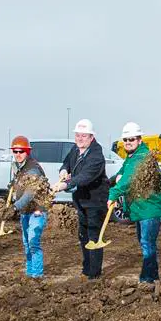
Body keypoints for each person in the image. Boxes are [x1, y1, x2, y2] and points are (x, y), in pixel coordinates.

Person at [107, 122, 161, 285]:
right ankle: (153, 276)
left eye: (131, 139)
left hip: (150, 208)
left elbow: (127, 180)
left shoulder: (141, 158)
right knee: (147, 243)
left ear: (139, 140)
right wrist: (110, 181)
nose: (128, 142)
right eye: (125, 139)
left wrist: (112, 195)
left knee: (147, 244)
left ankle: (147, 279)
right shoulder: (132, 157)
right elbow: (122, 173)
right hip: (143, 208)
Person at [53, 119, 110, 280]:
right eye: (77, 136)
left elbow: (85, 177)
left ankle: (94, 273)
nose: (80, 139)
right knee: (83, 234)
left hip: (95, 200)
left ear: (91, 137)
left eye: (83, 136)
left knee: (93, 236)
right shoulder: (75, 149)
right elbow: (66, 163)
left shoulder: (96, 155)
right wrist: (64, 170)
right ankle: (86, 268)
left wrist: (65, 184)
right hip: (80, 200)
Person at [9, 135, 48, 279]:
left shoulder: (33, 169)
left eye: (21, 151)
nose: (18, 154)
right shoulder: (19, 167)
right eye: (15, 152)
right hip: (26, 211)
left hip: (37, 211)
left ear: (27, 152)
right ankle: (30, 272)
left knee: (33, 242)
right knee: (26, 243)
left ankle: (37, 275)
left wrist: (14, 207)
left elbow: (30, 193)